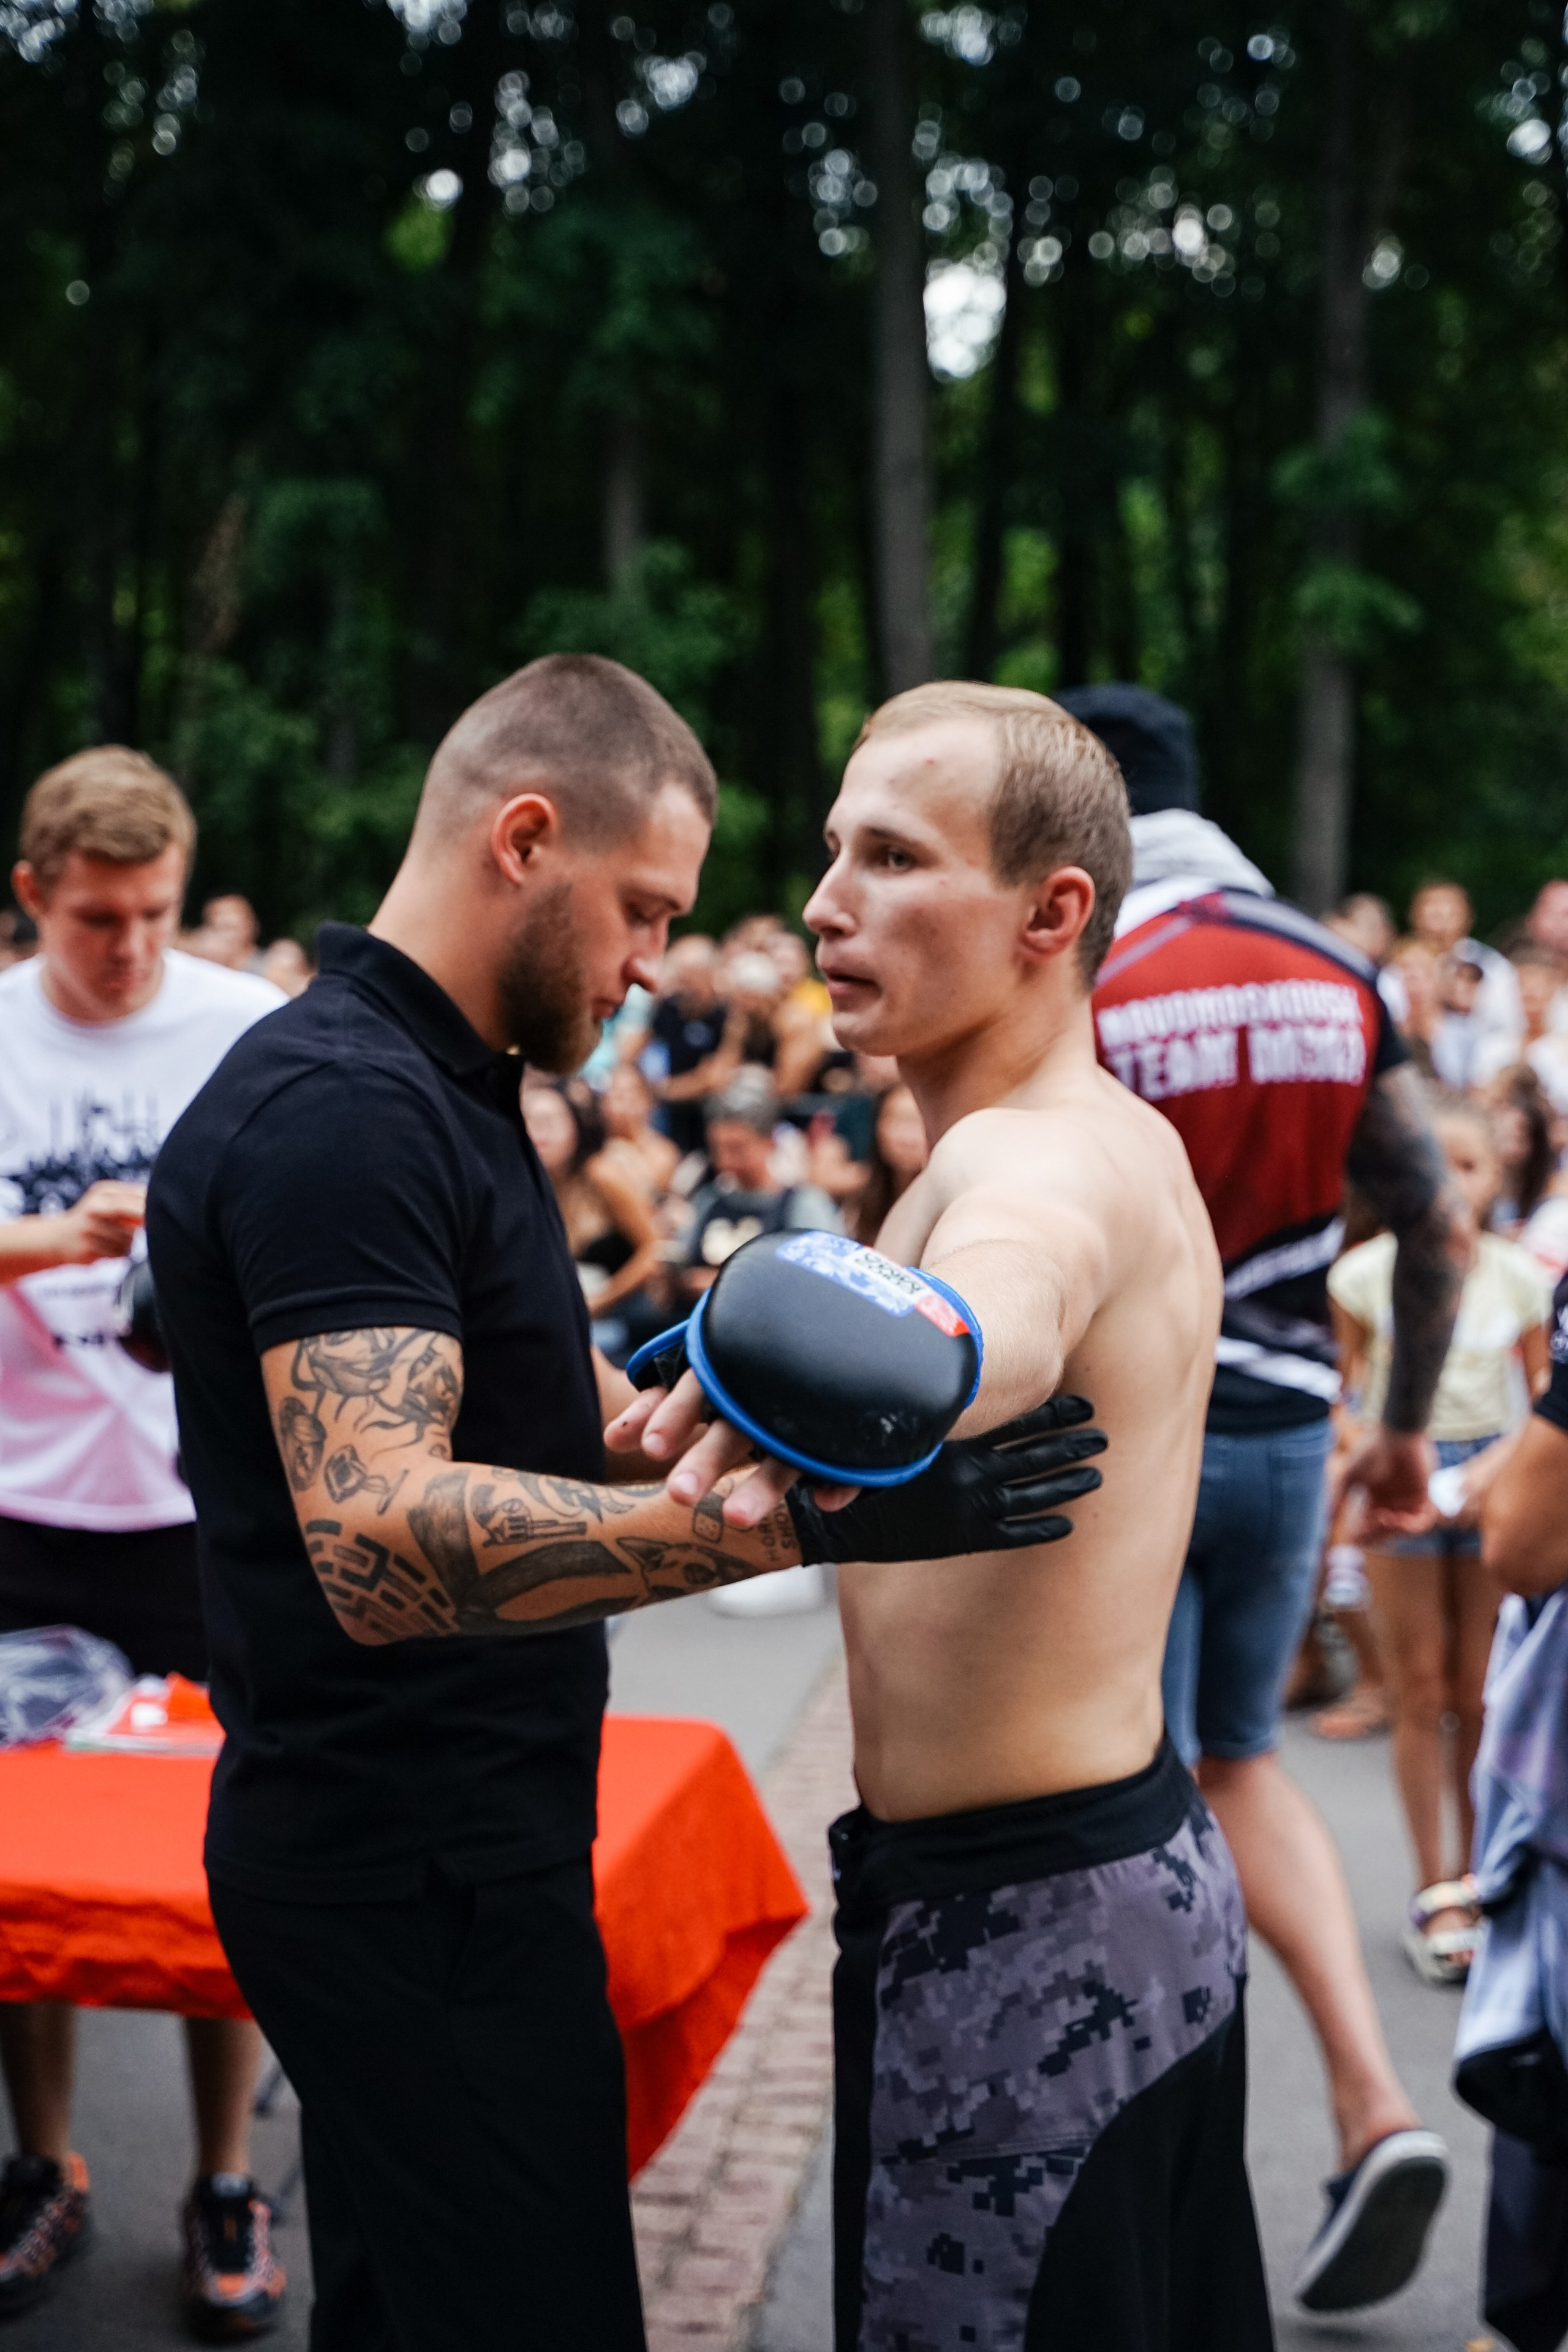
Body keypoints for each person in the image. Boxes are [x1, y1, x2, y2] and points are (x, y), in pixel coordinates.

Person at [143, 655, 1088, 2352]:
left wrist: (742, 1409)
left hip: (452, 1851)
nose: (657, 962)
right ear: (524, 837)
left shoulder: (452, 1082)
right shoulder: (345, 1112)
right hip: (398, 1872)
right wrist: (814, 1527)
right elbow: (378, 1544)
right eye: (642, 909)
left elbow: (560, 1419)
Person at [616, 680, 1278, 2350]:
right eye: (836, 849)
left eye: (897, 857)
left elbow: (1006, 1321)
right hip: (1060, 1889)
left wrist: (916, 1355)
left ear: (1053, 913)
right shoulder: (1027, 1138)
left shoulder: (1038, 1165)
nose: (829, 900)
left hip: (1035, 1925)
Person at [1062, 680, 1460, 2311]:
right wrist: (1405, 1432)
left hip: (1135, 1429)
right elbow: (1425, 1220)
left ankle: (1158, 2186)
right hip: (1299, 1423)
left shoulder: (1084, 965)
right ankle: (1373, 2106)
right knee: (1245, 1759)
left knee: (1128, 1804)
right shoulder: (1330, 961)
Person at [0, 749, 286, 2334]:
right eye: (97, 919)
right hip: (22, 1505)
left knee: (225, 1848)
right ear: (34, 894)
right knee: (13, 1866)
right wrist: (55, 1235)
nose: (128, 950)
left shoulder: (243, 1024)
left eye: (156, 917)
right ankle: (44, 2165)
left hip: (201, 1506)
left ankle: (225, 2174)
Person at [1330, 1096, 1551, 1982]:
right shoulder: (1359, 1277)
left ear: (1498, 1173)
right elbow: (1343, 1394)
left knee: (1482, 1691)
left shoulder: (1521, 1277)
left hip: (1496, 1484)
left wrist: (1482, 1479)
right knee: (1420, 1690)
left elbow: (1541, 1398)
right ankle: (1435, 1886)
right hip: (1400, 1481)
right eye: (1437, 1163)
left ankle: (1486, 1873)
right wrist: (1387, 1462)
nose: (1451, 1185)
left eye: (1471, 1165)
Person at [522, 1078, 662, 1357]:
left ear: (575, 1124)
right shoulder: (528, 1183)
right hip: (569, 1316)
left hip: (623, 1314)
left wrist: (599, 1302)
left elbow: (654, 1251)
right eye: (530, 1123)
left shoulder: (602, 1175)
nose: (540, 1134)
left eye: (549, 1122)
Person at [677, 1071, 839, 1298]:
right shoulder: (708, 1199)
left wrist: (725, 1284)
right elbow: (682, 1260)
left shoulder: (803, 1204)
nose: (725, 1160)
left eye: (737, 1148)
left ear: (770, 1142)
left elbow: (823, 1279)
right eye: (717, 1148)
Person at [642, 933, 731, 1156]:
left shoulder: (727, 1015)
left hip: (709, 1119)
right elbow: (634, 1051)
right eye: (680, 979)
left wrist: (662, 1091)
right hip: (670, 1120)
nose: (683, 987)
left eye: (690, 979)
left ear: (709, 977)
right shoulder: (667, 1009)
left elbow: (715, 1077)